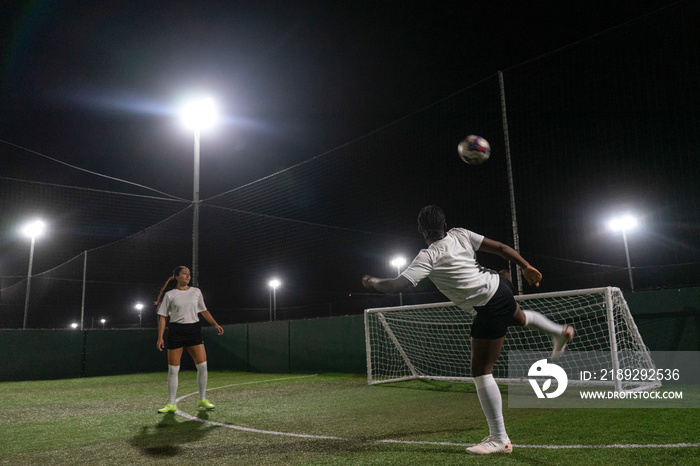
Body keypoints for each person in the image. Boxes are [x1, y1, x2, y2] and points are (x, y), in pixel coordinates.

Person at [362, 205, 573, 455]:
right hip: (500, 287)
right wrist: (525, 266)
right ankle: (558, 331)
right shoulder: (460, 234)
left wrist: (373, 282)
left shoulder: (427, 256)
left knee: (481, 371)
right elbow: (501, 249)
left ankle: (499, 439)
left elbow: (396, 285)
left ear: (420, 230)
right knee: (520, 317)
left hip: (488, 305)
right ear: (445, 224)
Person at [155, 266, 224, 413]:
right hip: (176, 331)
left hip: (193, 330)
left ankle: (202, 399)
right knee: (173, 370)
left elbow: (204, 311)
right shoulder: (170, 295)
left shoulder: (196, 292)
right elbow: (163, 317)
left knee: (202, 366)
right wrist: (160, 337)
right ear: (177, 277)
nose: (188, 276)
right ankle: (171, 403)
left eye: (189, 274)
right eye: (184, 274)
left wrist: (216, 324)